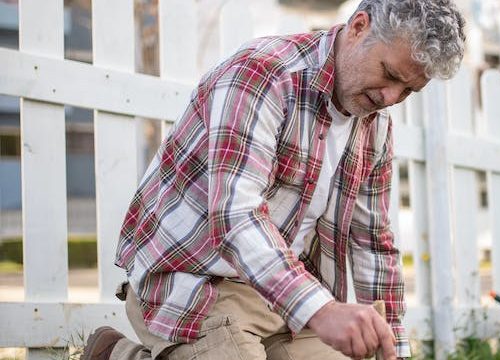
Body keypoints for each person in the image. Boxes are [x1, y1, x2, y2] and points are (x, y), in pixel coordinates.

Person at [81, 0, 465, 359]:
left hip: (288, 292)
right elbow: (235, 215)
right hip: (196, 283)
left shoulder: (375, 124)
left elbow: (373, 242)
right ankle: (117, 353)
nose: (389, 97)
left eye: (408, 90)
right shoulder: (262, 74)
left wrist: (392, 345)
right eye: (390, 74)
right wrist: (321, 309)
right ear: (359, 28)